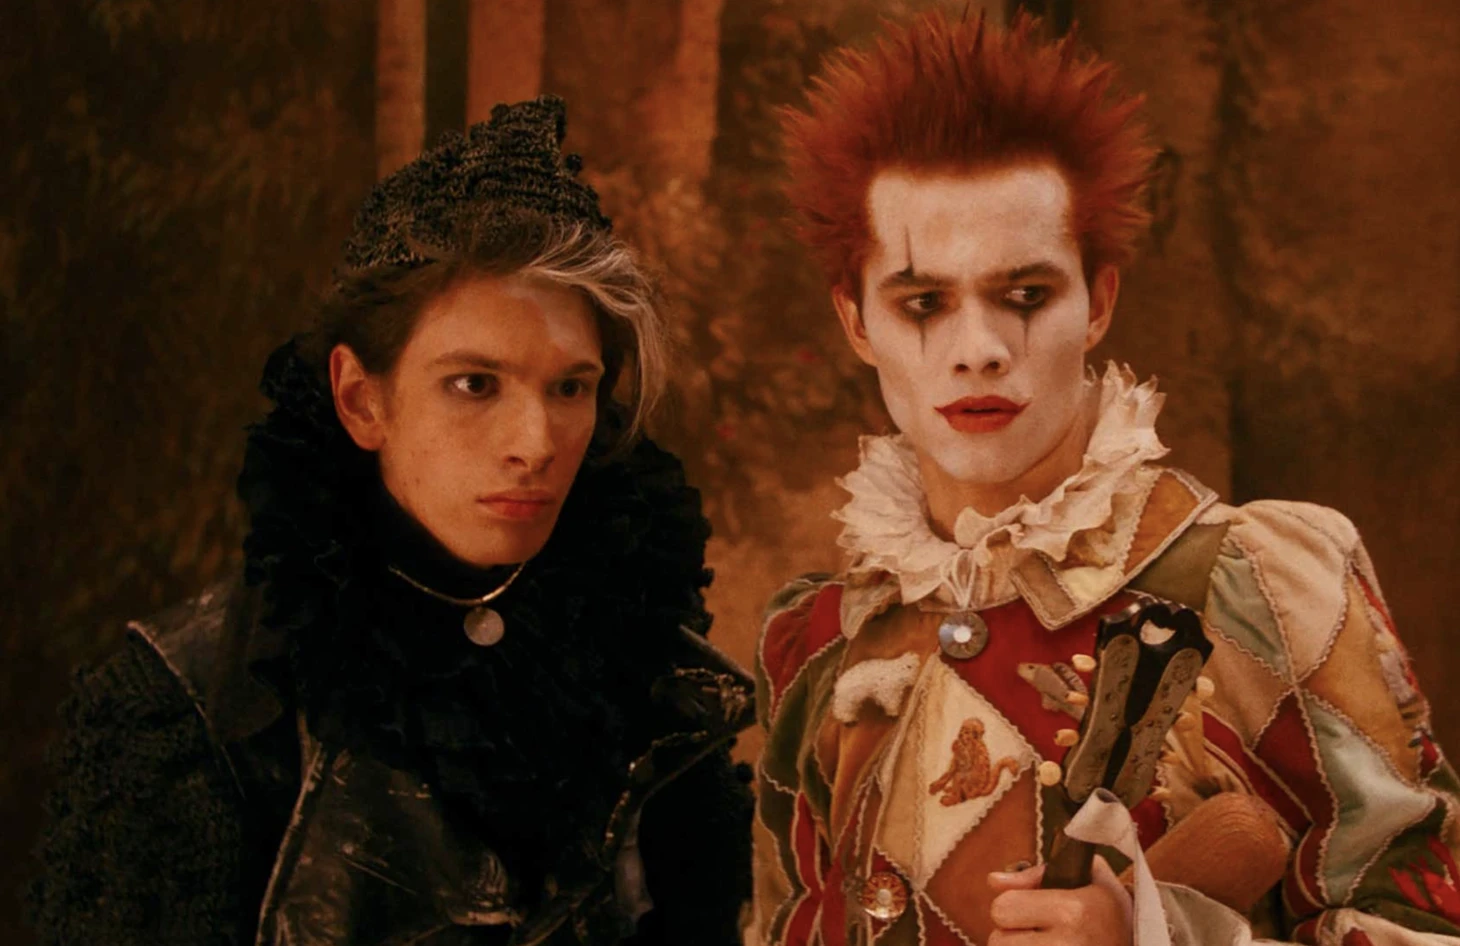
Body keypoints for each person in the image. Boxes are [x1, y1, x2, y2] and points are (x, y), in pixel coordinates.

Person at [750, 11, 1460, 946]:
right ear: (855, 322)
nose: (979, 349)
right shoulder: (818, 645)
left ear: (1099, 303)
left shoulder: (1260, 588)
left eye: (1026, 295)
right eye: (923, 303)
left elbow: (1422, 921)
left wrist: (1155, 936)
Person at [30, 95, 753, 946]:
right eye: (474, 384)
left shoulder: (643, 672)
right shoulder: (195, 709)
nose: (535, 444)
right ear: (361, 400)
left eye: (570, 387)